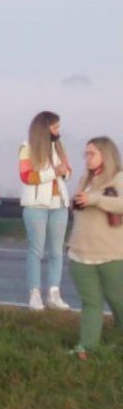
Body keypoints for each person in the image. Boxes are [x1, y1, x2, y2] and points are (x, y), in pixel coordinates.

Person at [68, 137, 123, 359]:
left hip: (110, 253)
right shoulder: (85, 179)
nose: (87, 158)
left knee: (117, 299)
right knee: (91, 303)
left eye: (92, 153)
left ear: (105, 155)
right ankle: (87, 346)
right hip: (80, 252)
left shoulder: (118, 178)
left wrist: (94, 199)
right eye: (86, 154)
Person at [19, 111, 73, 311]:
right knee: (36, 250)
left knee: (57, 251)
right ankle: (34, 294)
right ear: (44, 128)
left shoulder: (59, 146)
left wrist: (64, 172)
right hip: (36, 206)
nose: (58, 131)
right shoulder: (27, 148)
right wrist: (53, 172)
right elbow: (26, 176)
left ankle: (54, 293)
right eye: (55, 127)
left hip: (59, 204)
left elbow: (68, 171)